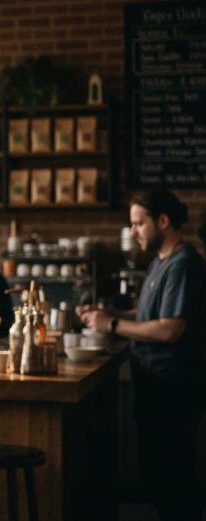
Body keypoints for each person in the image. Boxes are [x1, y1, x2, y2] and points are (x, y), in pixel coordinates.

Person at [78, 189, 206, 521]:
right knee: (159, 478)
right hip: (154, 389)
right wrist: (105, 313)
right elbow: (149, 314)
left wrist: (113, 324)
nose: (133, 231)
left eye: (139, 223)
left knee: (174, 480)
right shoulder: (161, 262)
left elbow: (169, 329)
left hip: (173, 391)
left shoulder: (184, 263)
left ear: (163, 221)